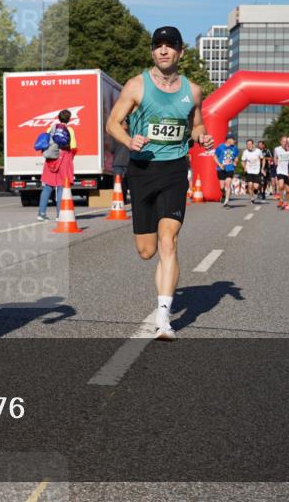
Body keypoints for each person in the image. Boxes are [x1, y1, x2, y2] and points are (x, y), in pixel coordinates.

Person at [104, 26, 215, 341]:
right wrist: (129, 139)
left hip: (175, 171)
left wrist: (201, 136)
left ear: (180, 52)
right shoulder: (136, 86)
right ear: (152, 51)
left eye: (170, 46)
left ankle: (163, 319)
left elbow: (196, 124)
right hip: (142, 170)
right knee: (146, 250)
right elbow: (112, 123)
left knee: (169, 242)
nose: (163, 50)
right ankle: (163, 310)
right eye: (158, 46)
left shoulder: (192, 90)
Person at [38, 110, 77, 221]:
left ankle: (41, 213)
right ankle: (59, 214)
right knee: (61, 186)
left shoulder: (51, 128)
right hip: (64, 158)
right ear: (69, 119)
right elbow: (73, 146)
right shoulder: (69, 130)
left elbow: (46, 143)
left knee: (47, 186)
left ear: (59, 118)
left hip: (51, 159)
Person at [213, 134, 239, 207]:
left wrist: (235, 162)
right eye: (233, 139)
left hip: (230, 168)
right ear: (228, 139)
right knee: (222, 187)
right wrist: (220, 165)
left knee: (228, 184)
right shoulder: (220, 147)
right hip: (221, 168)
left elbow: (236, 157)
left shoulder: (235, 148)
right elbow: (214, 157)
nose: (234, 141)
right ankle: (224, 195)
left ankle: (226, 201)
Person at [240, 139, 263, 205]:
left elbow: (262, 159)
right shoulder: (245, 152)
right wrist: (244, 167)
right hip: (249, 171)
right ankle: (252, 198)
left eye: (250, 144)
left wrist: (263, 168)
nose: (249, 145)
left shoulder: (258, 151)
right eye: (247, 144)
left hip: (257, 171)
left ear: (253, 144)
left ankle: (256, 191)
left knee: (255, 187)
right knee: (250, 185)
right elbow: (242, 161)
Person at [273, 136, 289, 210]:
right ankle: (281, 200)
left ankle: (286, 202)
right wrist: (275, 162)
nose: (285, 143)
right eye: (283, 141)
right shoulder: (277, 149)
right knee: (281, 186)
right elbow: (275, 157)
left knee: (288, 190)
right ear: (280, 142)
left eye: (286, 142)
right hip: (280, 170)